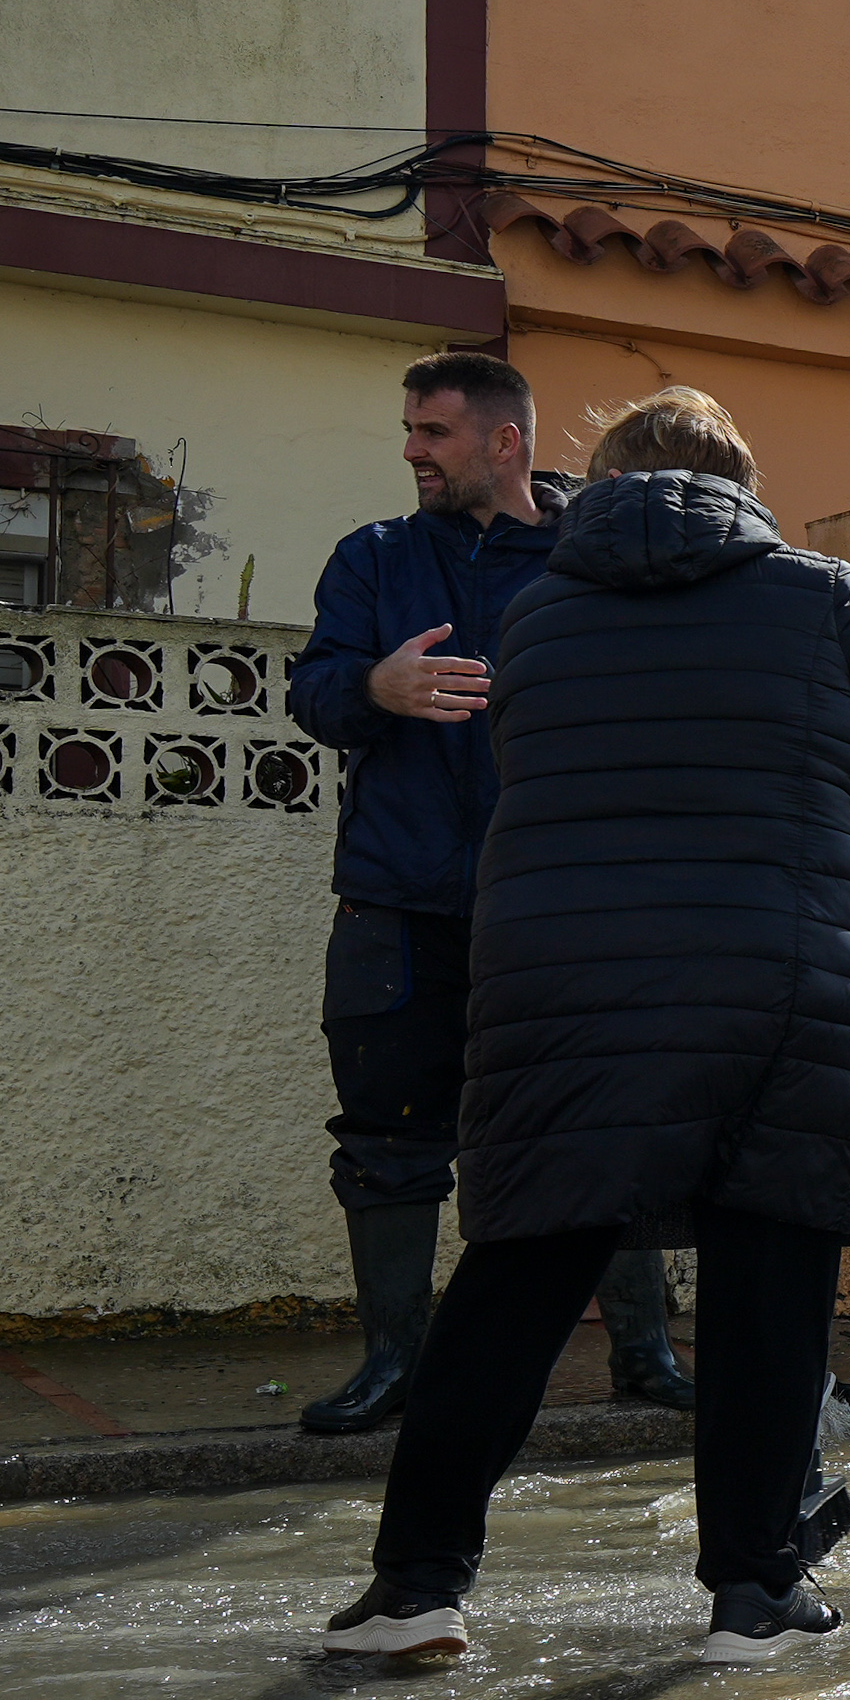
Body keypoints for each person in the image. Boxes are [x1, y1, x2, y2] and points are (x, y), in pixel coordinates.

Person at [314, 388, 850, 1665]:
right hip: (771, 975)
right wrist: (841, 581)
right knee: (769, 1275)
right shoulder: (812, 592)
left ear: (602, 481)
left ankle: (414, 1589)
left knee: (516, 1278)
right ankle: (754, 1594)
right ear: (741, 486)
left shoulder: (532, 619)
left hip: (560, 988)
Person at [284, 352, 689, 1434]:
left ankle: (646, 1359)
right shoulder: (371, 559)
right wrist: (375, 686)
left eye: (434, 432)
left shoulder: (591, 557)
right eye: (410, 430)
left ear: (503, 442)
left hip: (564, 908)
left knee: (604, 1131)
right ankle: (396, 1368)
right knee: (387, 1139)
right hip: (398, 904)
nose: (412, 450)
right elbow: (314, 692)